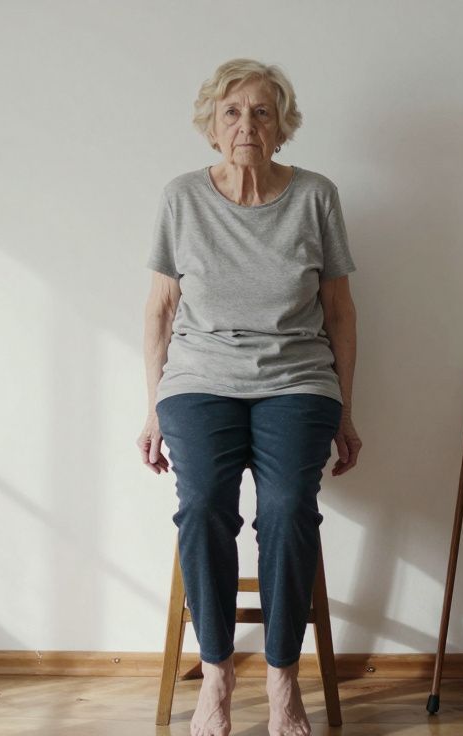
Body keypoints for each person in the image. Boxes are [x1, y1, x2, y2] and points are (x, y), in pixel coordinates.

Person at [138, 58, 363, 736]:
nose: (247, 125)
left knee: (290, 506)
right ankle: (215, 675)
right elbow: (157, 312)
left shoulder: (315, 196)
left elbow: (341, 313)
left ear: (282, 125)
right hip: (199, 380)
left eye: (262, 112)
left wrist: (347, 411)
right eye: (233, 112)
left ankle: (282, 679)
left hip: (296, 379)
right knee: (204, 502)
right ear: (212, 124)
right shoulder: (181, 198)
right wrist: (151, 408)